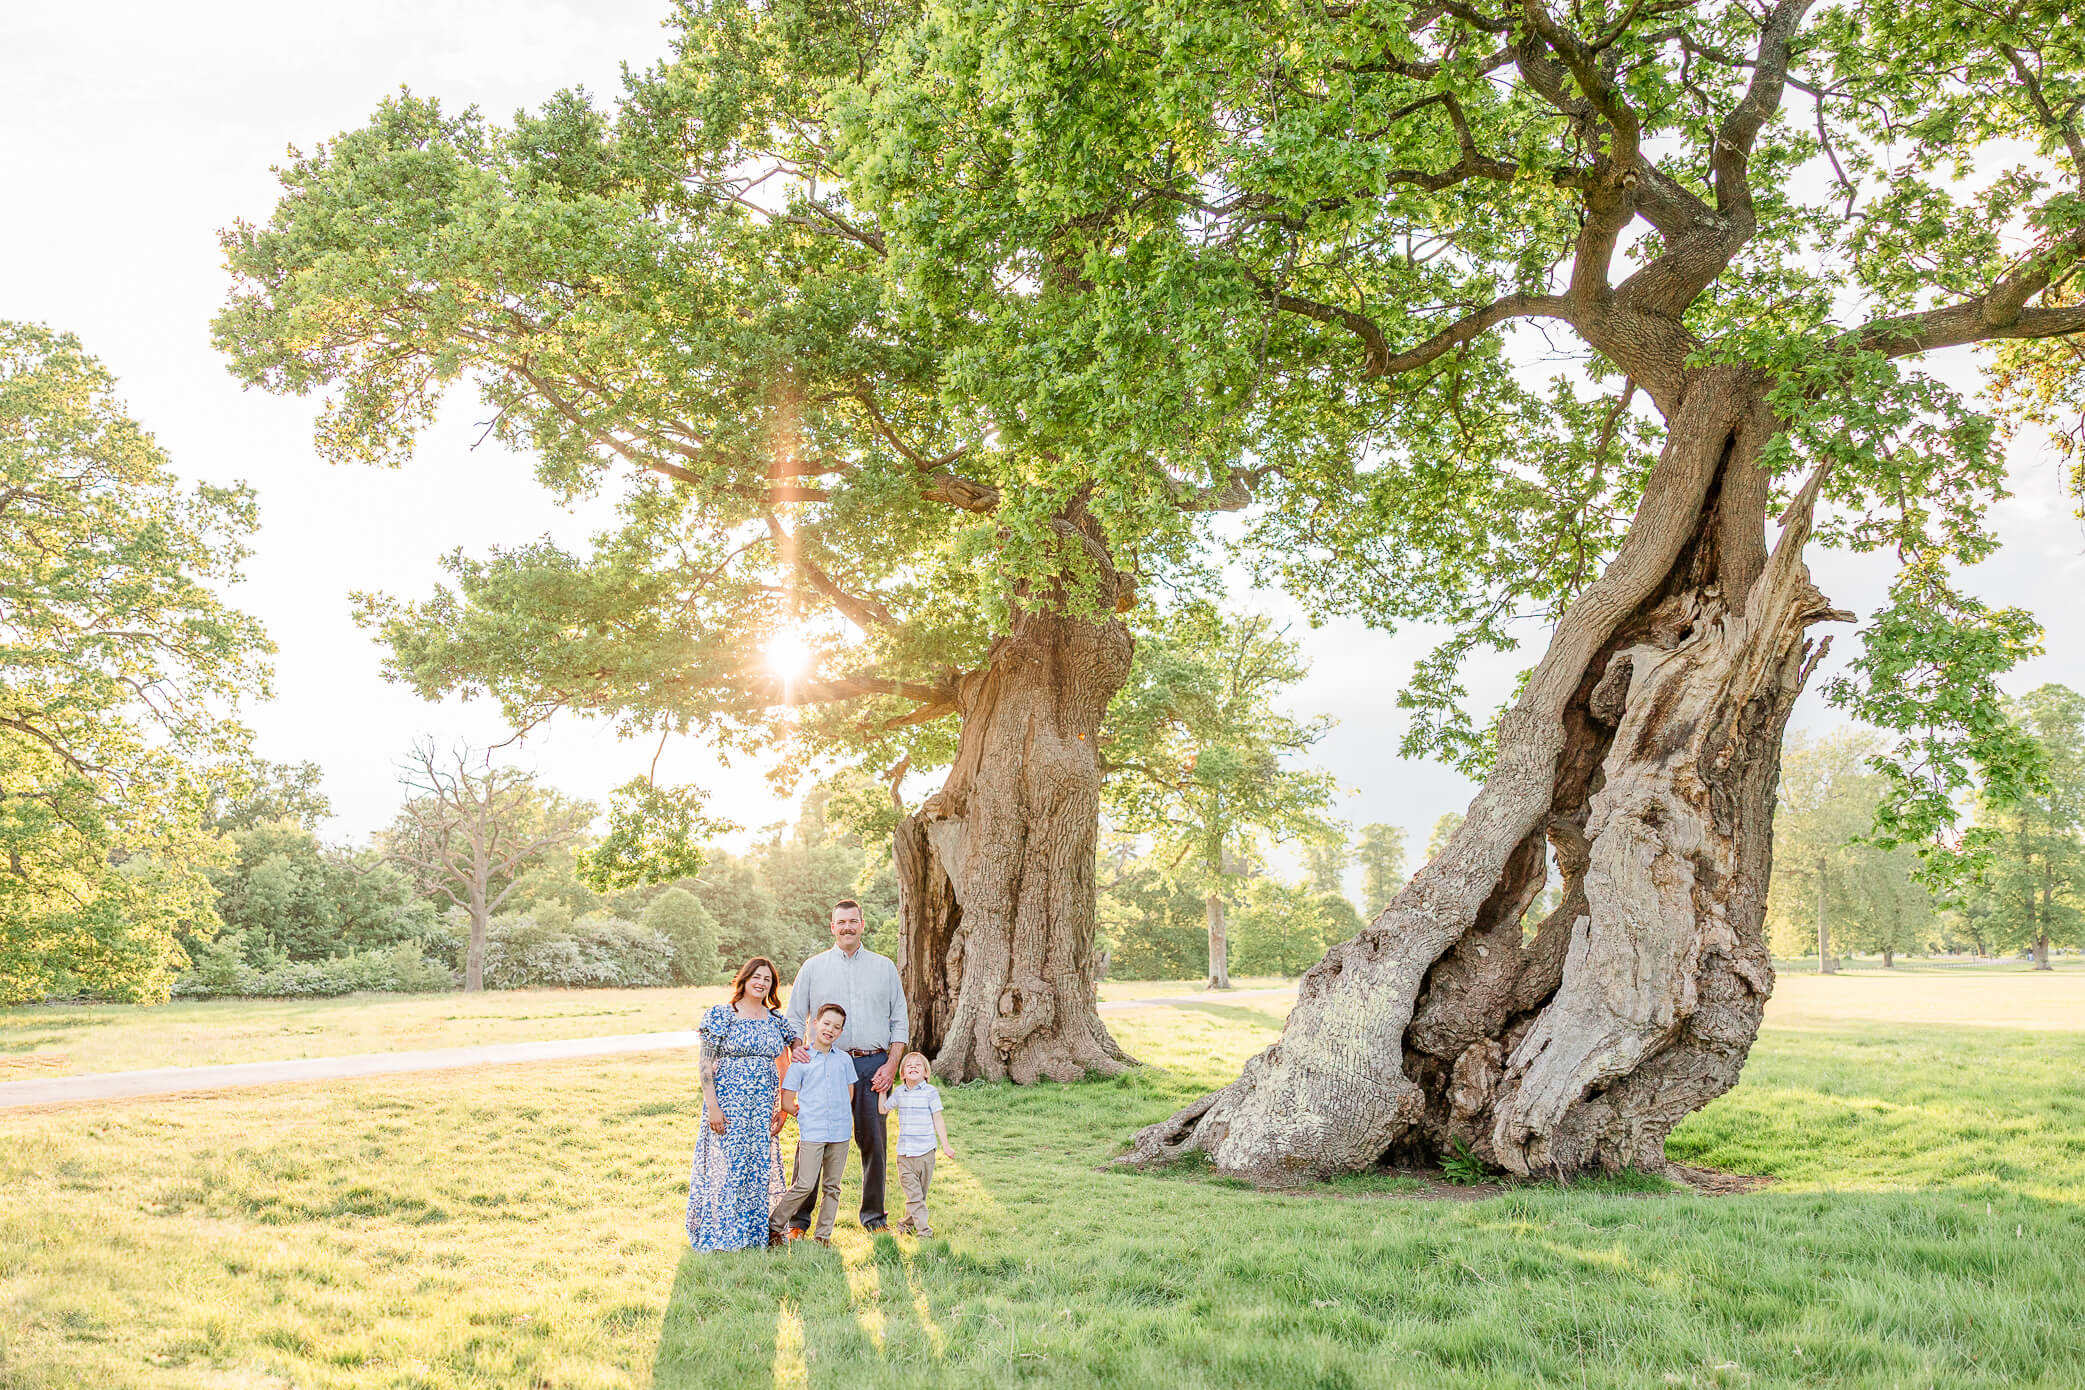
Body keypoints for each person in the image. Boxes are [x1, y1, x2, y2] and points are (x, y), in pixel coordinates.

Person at [785, 898, 908, 1233]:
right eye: (841, 922)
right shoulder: (813, 967)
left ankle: (873, 1217)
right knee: (812, 1142)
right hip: (825, 1068)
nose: (848, 927)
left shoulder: (883, 967)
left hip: (873, 1067)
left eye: (853, 921)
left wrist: (891, 1066)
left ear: (862, 924)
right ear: (832, 927)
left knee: (874, 1143)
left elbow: (900, 1022)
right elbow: (795, 1017)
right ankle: (798, 1220)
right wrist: (799, 1052)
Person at [685, 957, 802, 1252]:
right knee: (728, 1167)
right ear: (745, 979)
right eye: (757, 977)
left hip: (762, 1106)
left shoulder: (776, 1021)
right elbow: (705, 1064)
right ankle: (722, 1235)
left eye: (767, 979)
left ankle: (752, 1234)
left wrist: (785, 1106)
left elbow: (789, 1060)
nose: (761, 983)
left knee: (756, 1167)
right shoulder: (723, 1015)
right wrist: (712, 1106)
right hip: (728, 1102)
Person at [768, 1003, 856, 1246]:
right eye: (826, 1023)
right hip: (813, 1132)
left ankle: (823, 1235)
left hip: (840, 1131)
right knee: (805, 1183)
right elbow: (787, 1101)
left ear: (840, 1032)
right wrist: (805, 1114)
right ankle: (774, 1226)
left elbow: (848, 1094)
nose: (830, 1029)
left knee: (832, 1187)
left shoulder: (845, 1061)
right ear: (815, 1024)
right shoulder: (801, 1060)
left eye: (836, 1027)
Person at [880, 1050, 953, 1238]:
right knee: (914, 1196)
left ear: (926, 1072)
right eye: (908, 1065)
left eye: (918, 1065)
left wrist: (946, 1146)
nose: (913, 1067)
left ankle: (906, 1224)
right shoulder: (899, 1092)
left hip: (926, 1153)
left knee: (919, 1196)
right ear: (902, 1073)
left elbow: (938, 1119)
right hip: (905, 1155)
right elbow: (883, 1109)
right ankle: (924, 1233)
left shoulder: (930, 1092)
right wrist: (881, 1092)